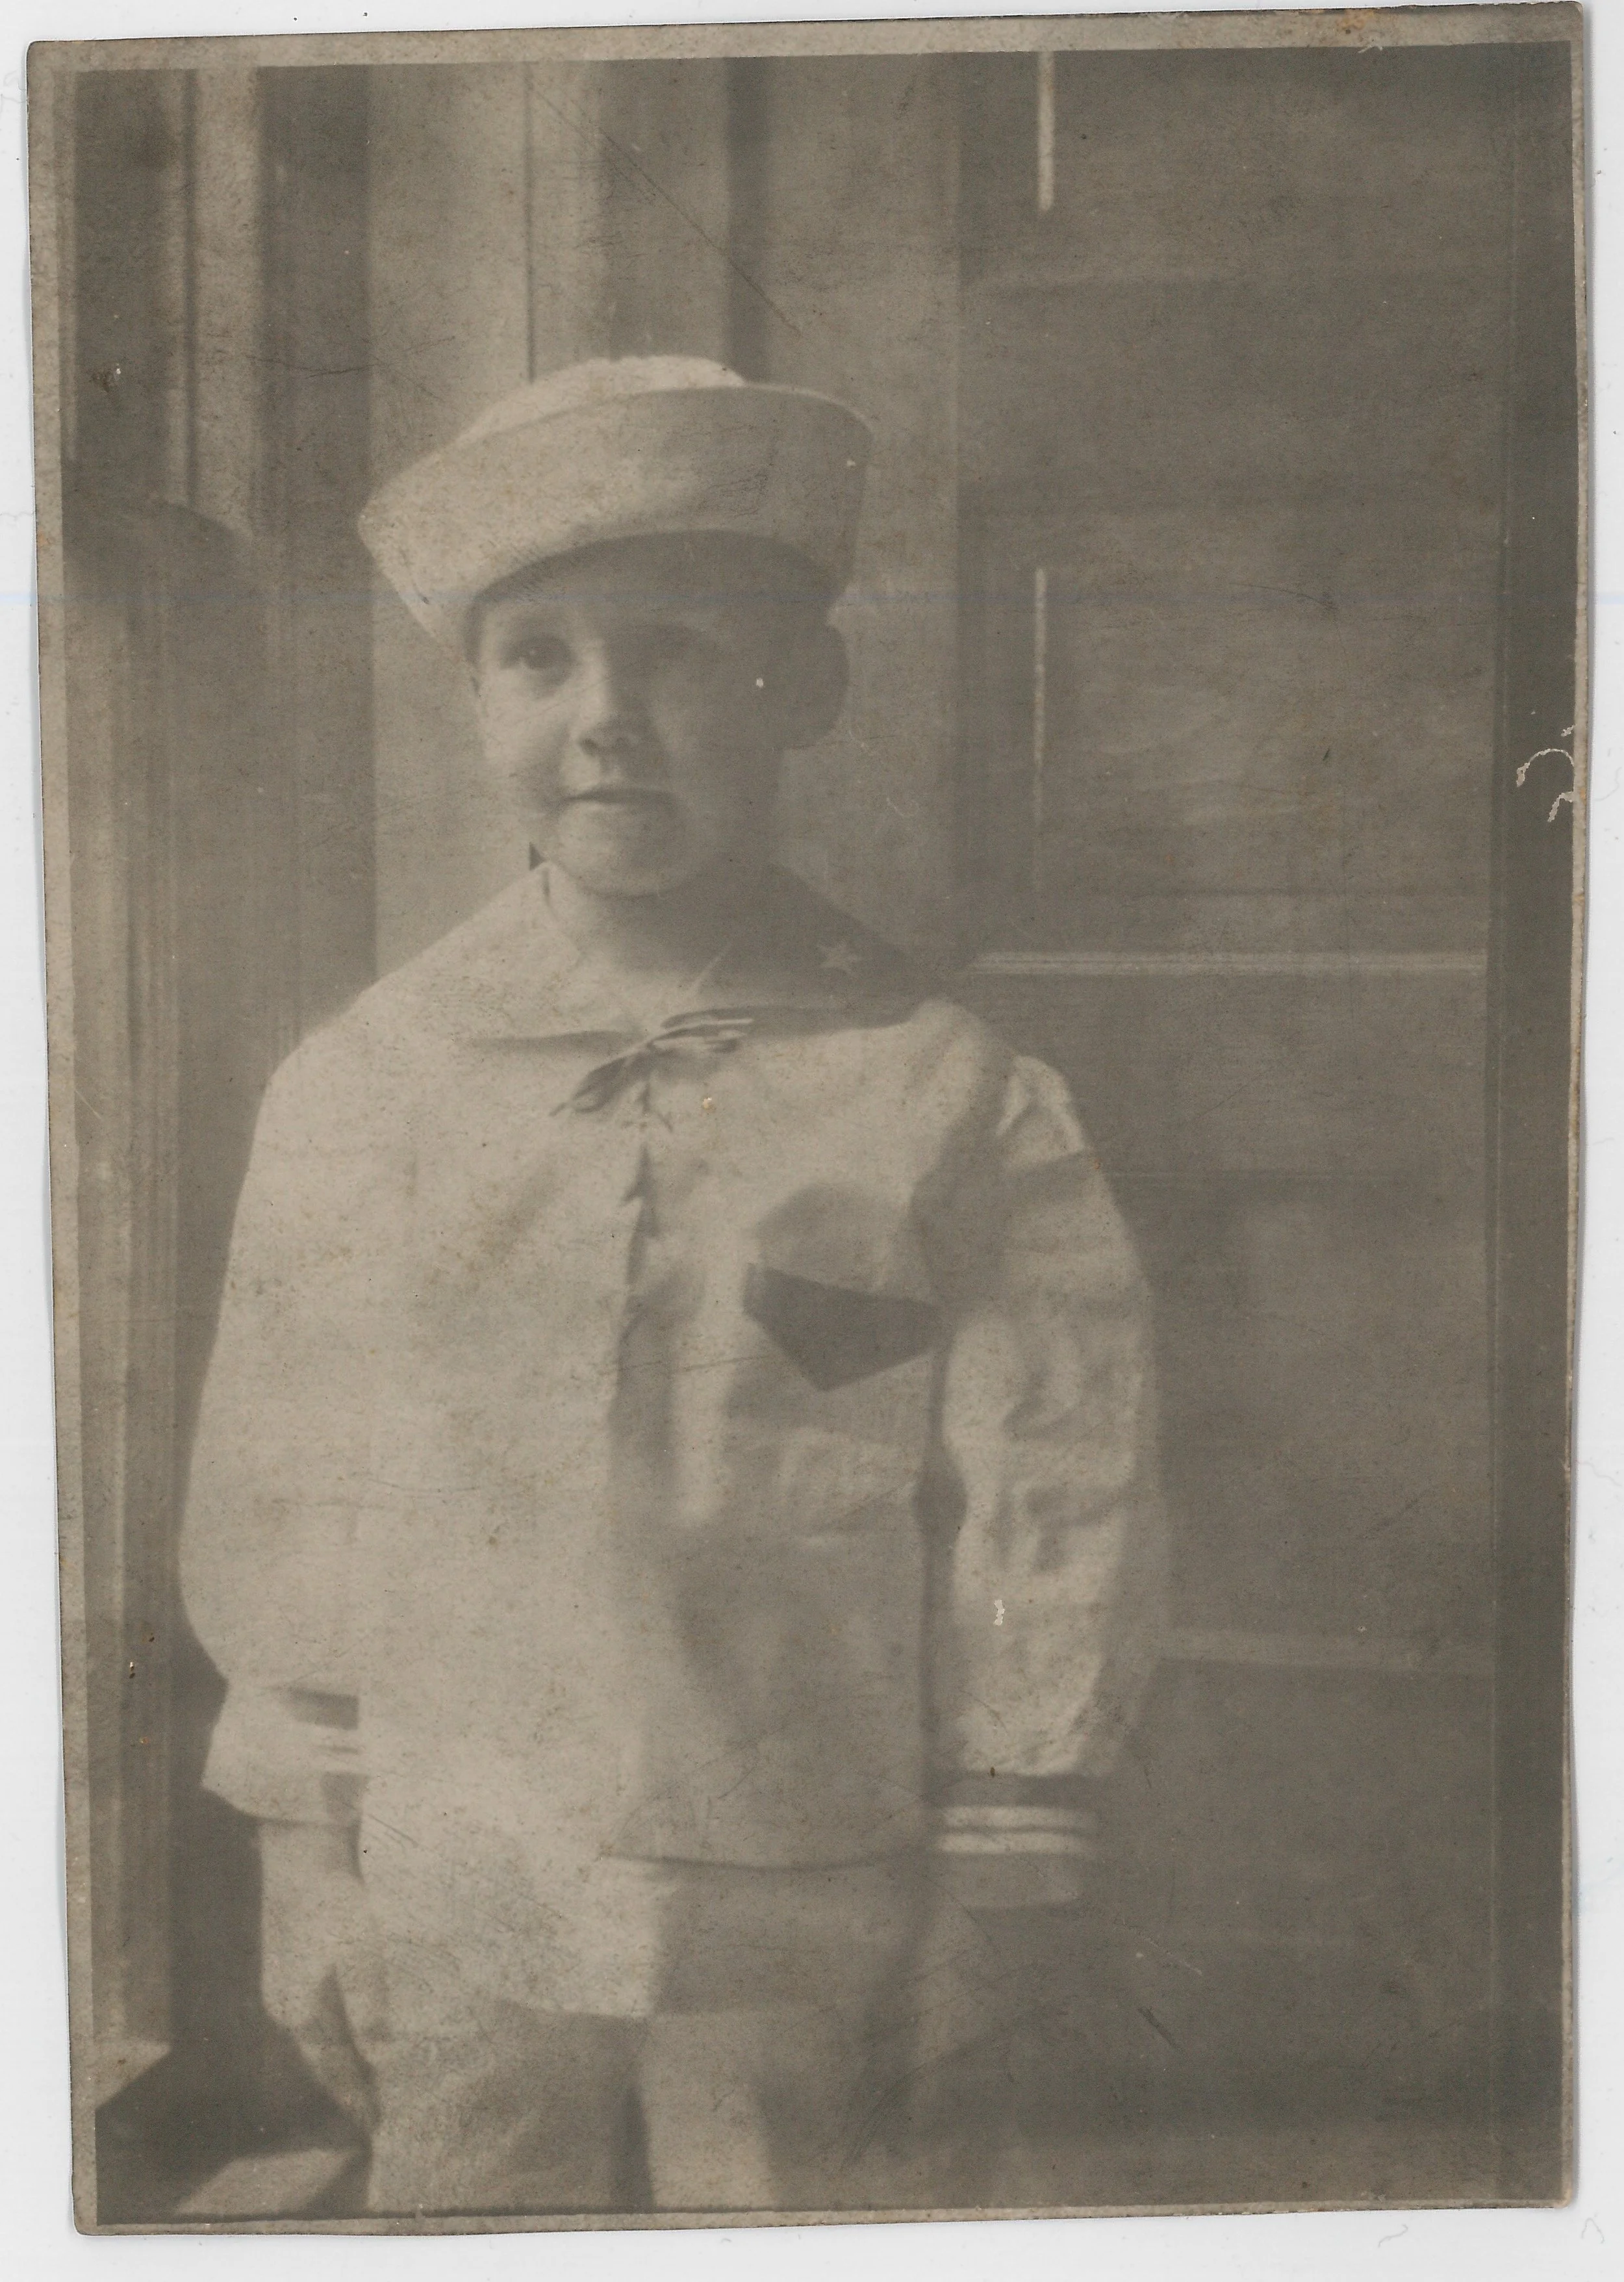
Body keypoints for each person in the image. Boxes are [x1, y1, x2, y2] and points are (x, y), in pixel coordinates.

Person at [179, 356, 1165, 2216]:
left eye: (680, 652)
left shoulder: (943, 1090)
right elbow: (288, 1494)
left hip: (804, 1875)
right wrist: (308, 1852)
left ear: (800, 688)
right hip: (464, 1865)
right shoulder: (365, 1089)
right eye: (537, 658)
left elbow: (1050, 1497)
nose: (608, 717)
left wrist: (1006, 1852)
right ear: (473, 699)